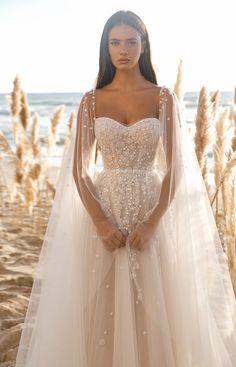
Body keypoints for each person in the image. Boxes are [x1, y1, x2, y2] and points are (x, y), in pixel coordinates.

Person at [15, 10, 236, 367]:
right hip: (104, 207)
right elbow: (79, 170)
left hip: (150, 207)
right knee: (100, 301)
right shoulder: (92, 100)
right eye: (115, 42)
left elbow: (173, 168)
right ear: (106, 47)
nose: (123, 50)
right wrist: (100, 221)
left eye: (131, 42)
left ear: (143, 46)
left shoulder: (163, 98)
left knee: (155, 301)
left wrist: (153, 222)